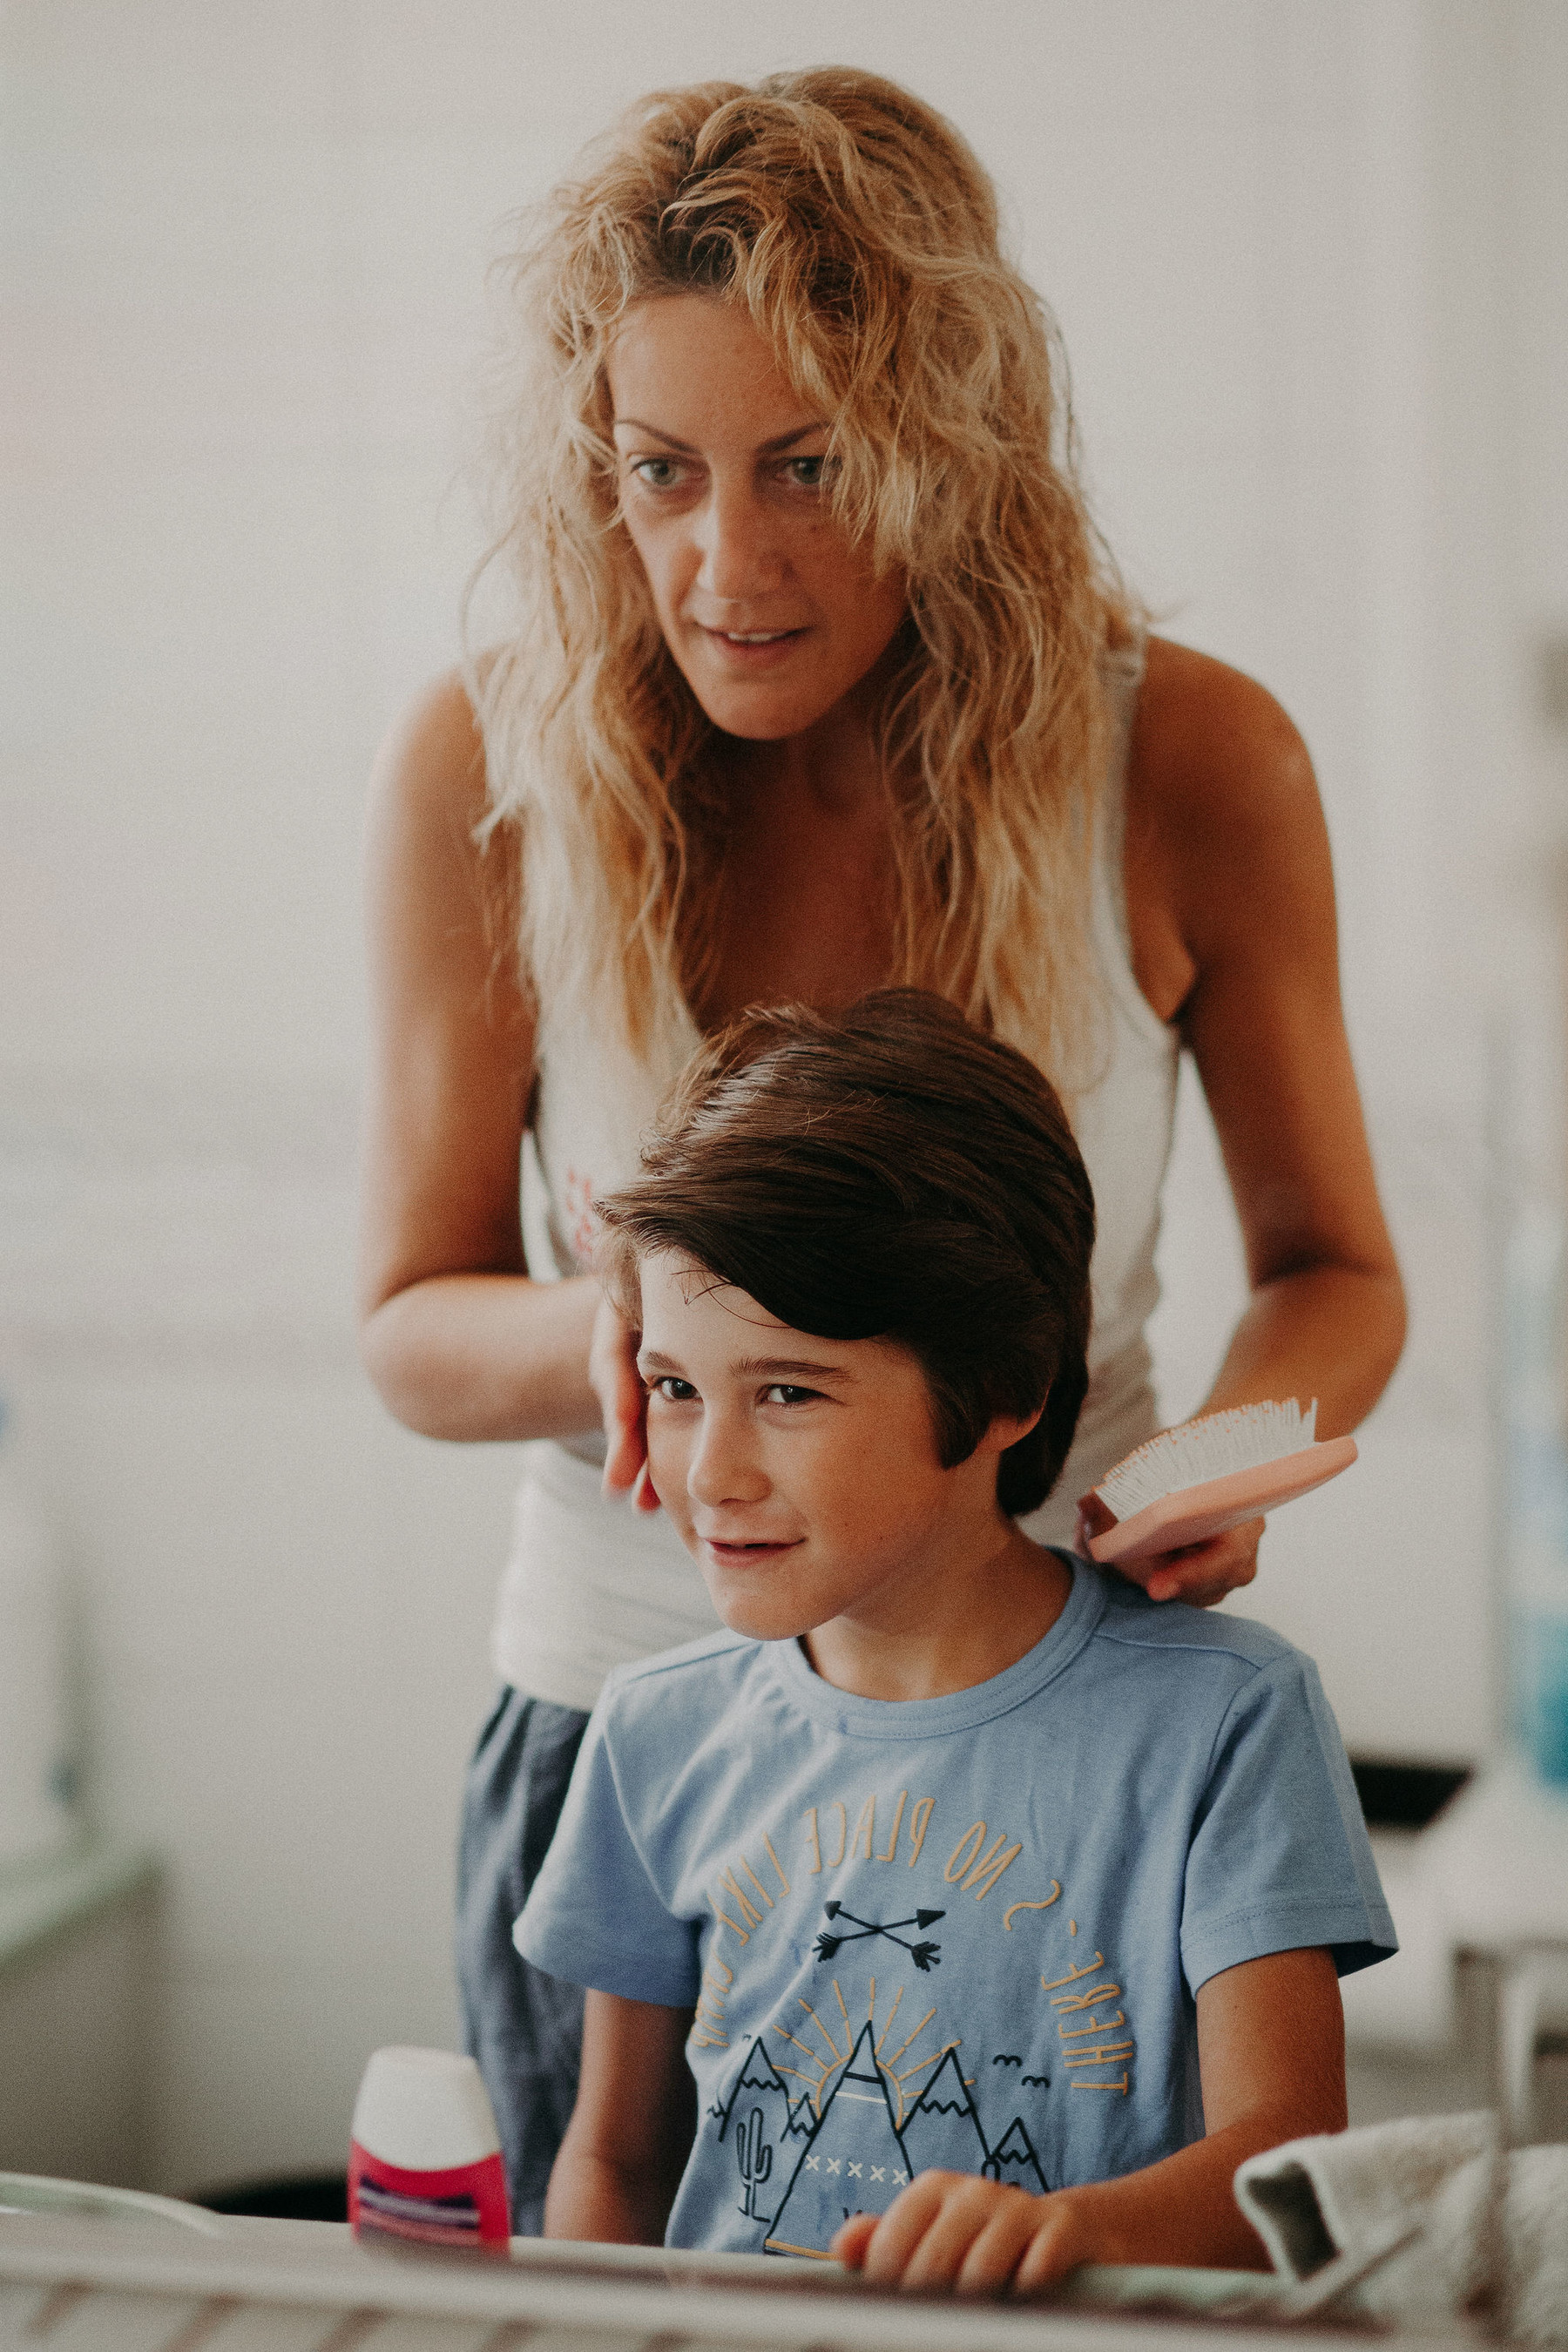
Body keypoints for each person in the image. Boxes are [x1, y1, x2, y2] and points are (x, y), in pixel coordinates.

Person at [357, 69, 1406, 2230]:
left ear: (946, 444)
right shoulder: (493, 764)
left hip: (1069, 1726)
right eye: (661, 476)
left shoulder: (1190, 759)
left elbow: (1337, 1264)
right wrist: (650, 1342)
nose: (722, 568)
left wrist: (1217, 1459)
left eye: (809, 468)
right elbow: (406, 1324)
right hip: (635, 1739)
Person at [515, 992, 1394, 2284]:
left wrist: (1071, 2234)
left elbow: (1289, 2152)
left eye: (790, 1393)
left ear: (1003, 1391)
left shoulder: (1226, 1720)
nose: (710, 1470)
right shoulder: (654, 1731)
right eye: (677, 1388)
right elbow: (615, 2162)